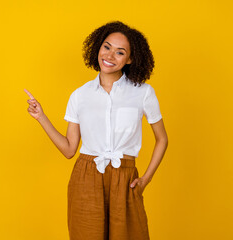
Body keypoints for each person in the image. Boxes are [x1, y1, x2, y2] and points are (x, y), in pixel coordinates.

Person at [24, 20, 168, 240]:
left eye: (120, 52)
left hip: (125, 175)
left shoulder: (143, 93)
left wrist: (145, 179)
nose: (110, 56)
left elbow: (162, 139)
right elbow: (69, 149)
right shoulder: (80, 95)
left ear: (130, 59)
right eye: (107, 47)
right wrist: (41, 117)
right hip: (86, 176)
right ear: (98, 47)